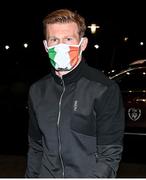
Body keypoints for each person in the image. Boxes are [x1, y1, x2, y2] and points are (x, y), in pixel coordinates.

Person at [25, 8, 125, 178]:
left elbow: (109, 155)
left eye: (68, 39)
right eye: (54, 39)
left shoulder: (104, 89)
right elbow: (36, 147)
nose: (61, 45)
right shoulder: (37, 90)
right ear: (45, 45)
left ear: (82, 44)